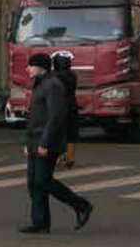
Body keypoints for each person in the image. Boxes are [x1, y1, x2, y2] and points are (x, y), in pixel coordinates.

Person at [20, 51, 93, 234]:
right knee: (33, 183)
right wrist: (28, 144)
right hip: (35, 140)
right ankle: (40, 222)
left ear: (41, 68)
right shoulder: (39, 84)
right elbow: (35, 117)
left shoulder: (53, 85)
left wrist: (45, 143)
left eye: (31, 65)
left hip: (47, 141)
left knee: (43, 180)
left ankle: (81, 205)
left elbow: (56, 117)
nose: (27, 69)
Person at [53, 51, 81, 169]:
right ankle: (70, 158)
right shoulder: (72, 76)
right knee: (71, 133)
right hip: (72, 106)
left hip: (58, 107)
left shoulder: (55, 77)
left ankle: (58, 157)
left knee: (57, 133)